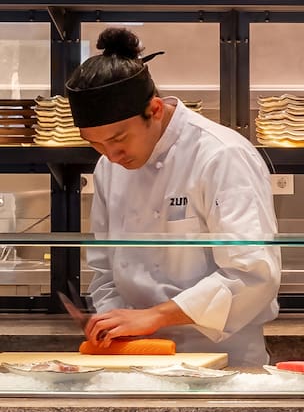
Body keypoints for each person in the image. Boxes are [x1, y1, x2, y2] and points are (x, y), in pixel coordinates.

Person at [68, 28, 281, 366]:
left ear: (154, 109)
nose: (111, 155)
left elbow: (253, 273)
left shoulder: (220, 155)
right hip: (135, 356)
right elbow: (104, 267)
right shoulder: (109, 166)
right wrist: (113, 322)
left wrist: (155, 316)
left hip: (220, 359)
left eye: (119, 139)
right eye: (96, 144)